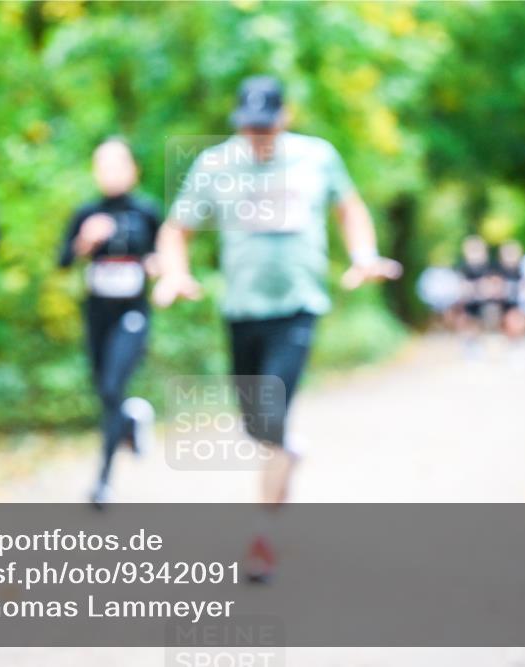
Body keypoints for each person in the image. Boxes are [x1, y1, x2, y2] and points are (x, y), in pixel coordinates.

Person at [153, 76, 401, 581]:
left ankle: (262, 540)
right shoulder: (215, 164)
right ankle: (286, 449)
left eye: (266, 127)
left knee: (270, 418)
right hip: (242, 312)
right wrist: (175, 272)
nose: (258, 137)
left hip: (298, 308)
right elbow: (176, 229)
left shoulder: (317, 156)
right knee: (259, 427)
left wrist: (363, 255)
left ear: (285, 118)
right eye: (249, 128)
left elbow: (349, 207)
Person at [58, 139, 160, 508]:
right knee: (104, 389)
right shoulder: (87, 213)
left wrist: (156, 264)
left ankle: (102, 480)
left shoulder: (146, 211)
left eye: (117, 165)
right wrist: (85, 241)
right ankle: (131, 420)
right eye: (102, 165)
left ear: (133, 169)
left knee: (114, 384)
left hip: (132, 313)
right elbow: (63, 260)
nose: (110, 173)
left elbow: (164, 254)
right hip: (97, 313)